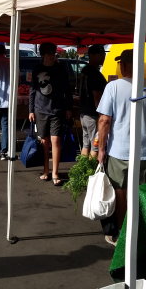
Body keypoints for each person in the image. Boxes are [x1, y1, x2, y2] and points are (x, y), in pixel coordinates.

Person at [97, 49, 146, 245]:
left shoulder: (113, 87)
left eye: (120, 63)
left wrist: (101, 149)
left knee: (120, 193)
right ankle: (141, 236)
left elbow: (104, 121)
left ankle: (122, 234)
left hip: (119, 151)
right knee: (142, 196)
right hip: (145, 152)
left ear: (125, 65)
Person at [29, 42, 73, 186]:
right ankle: (46, 170)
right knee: (44, 142)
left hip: (57, 110)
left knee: (55, 140)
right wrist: (30, 110)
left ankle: (55, 172)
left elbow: (68, 90)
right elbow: (32, 91)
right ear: (43, 55)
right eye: (48, 55)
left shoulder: (61, 69)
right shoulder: (37, 69)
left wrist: (68, 108)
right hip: (40, 110)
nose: (51, 57)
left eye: (52, 54)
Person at [79, 44, 108, 157]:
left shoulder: (85, 70)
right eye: (102, 55)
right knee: (95, 145)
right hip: (92, 114)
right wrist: (101, 115)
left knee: (86, 145)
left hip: (84, 113)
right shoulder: (94, 74)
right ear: (95, 55)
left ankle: (83, 170)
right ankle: (91, 172)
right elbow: (97, 97)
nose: (104, 57)